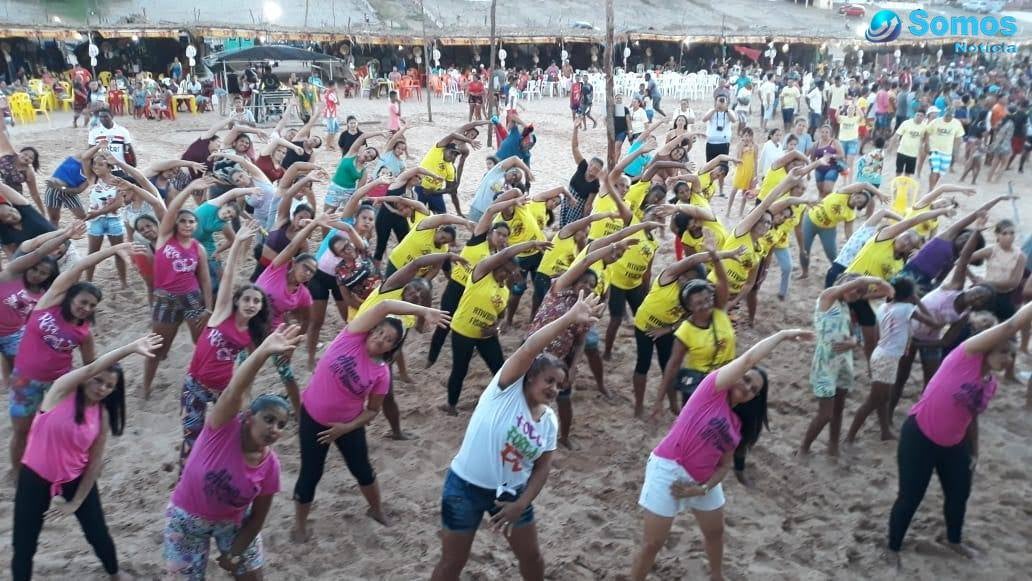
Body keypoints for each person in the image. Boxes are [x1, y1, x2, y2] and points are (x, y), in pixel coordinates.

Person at [430, 292, 603, 581]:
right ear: (531, 377)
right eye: (549, 380)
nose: (553, 390)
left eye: (558, 386)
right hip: (464, 487)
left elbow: (543, 466)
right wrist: (569, 318)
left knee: (532, 557)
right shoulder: (505, 391)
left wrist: (521, 504)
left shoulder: (548, 420)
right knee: (452, 562)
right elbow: (531, 347)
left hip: (512, 496)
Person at [630, 329, 814, 581]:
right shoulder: (711, 390)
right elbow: (749, 359)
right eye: (746, 379)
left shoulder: (738, 424)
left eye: (753, 389)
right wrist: (782, 335)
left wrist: (703, 489)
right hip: (668, 469)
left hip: (702, 482)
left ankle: (717, 576)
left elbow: (725, 465)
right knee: (653, 544)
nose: (747, 387)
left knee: (715, 532)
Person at [887, 301, 1032, 566]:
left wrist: (974, 451)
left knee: (959, 494)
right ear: (986, 349)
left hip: (954, 444)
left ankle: (953, 540)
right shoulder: (965, 356)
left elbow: (971, 415)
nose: (1007, 359)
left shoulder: (990, 384)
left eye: (1011, 355)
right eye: (1002, 353)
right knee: (910, 497)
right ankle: (893, 547)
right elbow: (1012, 324)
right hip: (919, 435)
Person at [292, 299, 448, 539]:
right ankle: (300, 525)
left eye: (388, 340)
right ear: (372, 329)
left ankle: (376, 510)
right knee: (310, 474)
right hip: (312, 418)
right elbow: (384, 305)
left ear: (392, 348)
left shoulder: (381, 373)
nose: (380, 340)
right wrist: (423, 310)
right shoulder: (350, 337)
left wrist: (345, 428)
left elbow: (373, 411)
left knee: (363, 470)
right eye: (379, 332)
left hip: (348, 425)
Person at [12, 334, 161, 581]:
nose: (102, 388)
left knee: (98, 533)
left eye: (109, 386)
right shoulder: (60, 391)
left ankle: (114, 572)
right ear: (85, 379)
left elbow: (94, 463)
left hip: (75, 478)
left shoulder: (101, 416)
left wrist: (76, 502)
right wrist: (131, 347)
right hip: (34, 477)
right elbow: (93, 366)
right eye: (98, 381)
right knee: (24, 544)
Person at [165, 326, 299, 579]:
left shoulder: (270, 466)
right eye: (268, 419)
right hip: (187, 519)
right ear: (248, 417)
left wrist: (235, 553)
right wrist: (262, 352)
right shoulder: (223, 428)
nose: (274, 429)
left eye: (281, 425)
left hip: (233, 523)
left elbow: (258, 518)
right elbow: (234, 390)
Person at [7, 242, 129, 474]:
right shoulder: (48, 304)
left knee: (60, 429)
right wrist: (114, 249)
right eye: (82, 302)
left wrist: (103, 387)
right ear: (70, 297)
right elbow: (79, 266)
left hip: (59, 384)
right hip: (25, 380)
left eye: (91, 306)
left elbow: (90, 368)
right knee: (21, 431)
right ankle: (16, 471)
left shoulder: (84, 333)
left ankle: (59, 465)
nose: (86, 308)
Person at [179, 224, 269, 469]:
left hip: (225, 391)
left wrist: (244, 395)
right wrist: (238, 242)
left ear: (261, 307)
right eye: (247, 299)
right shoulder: (221, 315)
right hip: (195, 385)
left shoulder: (251, 332)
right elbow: (230, 276)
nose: (251, 304)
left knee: (228, 436)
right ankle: (184, 481)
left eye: (257, 302)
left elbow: (250, 366)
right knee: (191, 437)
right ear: (237, 301)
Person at [442, 240, 549, 415]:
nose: (503, 274)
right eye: (501, 269)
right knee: (460, 369)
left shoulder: (504, 291)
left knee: (500, 368)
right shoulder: (480, 274)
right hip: (463, 331)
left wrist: (495, 329)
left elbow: (498, 318)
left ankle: (505, 402)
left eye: (508, 272)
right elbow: (505, 254)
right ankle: (451, 405)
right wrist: (531, 244)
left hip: (486, 336)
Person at [140, 182, 216, 399]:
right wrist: (190, 189)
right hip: (165, 299)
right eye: (183, 221)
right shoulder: (165, 238)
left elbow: (204, 279)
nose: (188, 224)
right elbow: (172, 209)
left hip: (192, 298)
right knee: (158, 348)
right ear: (175, 224)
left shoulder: (197, 247)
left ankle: (204, 383)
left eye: (192, 221)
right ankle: (146, 387)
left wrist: (208, 308)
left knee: (201, 344)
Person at [0, 224, 81, 385]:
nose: (37, 275)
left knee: (16, 364)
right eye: (35, 269)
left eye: (43, 273)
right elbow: (39, 252)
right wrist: (65, 236)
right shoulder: (11, 275)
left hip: (13, 334)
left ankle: (9, 382)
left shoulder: (44, 293)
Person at [798, 182, 879, 280]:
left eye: (860, 202)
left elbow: (849, 233)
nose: (857, 200)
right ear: (854, 193)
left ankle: (838, 274)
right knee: (804, 249)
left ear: (860, 207)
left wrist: (854, 245)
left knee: (832, 254)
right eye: (858, 197)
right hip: (810, 220)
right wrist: (879, 194)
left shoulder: (850, 215)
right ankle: (805, 272)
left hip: (827, 229)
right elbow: (864, 185)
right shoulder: (843, 193)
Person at [0, 183, 54, 259]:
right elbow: (9, 252)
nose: (14, 215)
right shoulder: (5, 231)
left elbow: (3, 188)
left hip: (59, 249)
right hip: (39, 262)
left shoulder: (26, 211)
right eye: (8, 216)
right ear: (3, 222)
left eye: (12, 210)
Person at [0, 129, 42, 213]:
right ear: (20, 152)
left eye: (30, 158)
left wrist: (43, 212)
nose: (26, 158)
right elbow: (2, 133)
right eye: (25, 154)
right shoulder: (9, 153)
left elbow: (34, 194)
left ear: (32, 162)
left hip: (12, 198)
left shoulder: (29, 172)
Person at [925, 107, 965, 189]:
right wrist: (927, 144)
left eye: (949, 116)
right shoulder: (936, 122)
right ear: (944, 113)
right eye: (946, 115)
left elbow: (958, 138)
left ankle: (934, 188)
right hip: (935, 150)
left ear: (953, 115)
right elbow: (927, 132)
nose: (947, 117)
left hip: (947, 152)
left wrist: (956, 153)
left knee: (940, 173)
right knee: (934, 170)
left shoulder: (956, 123)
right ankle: (930, 189)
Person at [890, 109, 927, 176]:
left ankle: (905, 186)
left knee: (908, 173)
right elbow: (896, 135)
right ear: (914, 115)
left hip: (913, 154)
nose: (919, 117)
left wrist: (921, 151)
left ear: (924, 117)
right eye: (917, 115)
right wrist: (890, 147)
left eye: (921, 116)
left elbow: (922, 139)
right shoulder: (906, 123)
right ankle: (897, 185)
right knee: (898, 171)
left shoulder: (924, 127)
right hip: (902, 151)